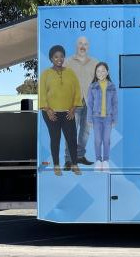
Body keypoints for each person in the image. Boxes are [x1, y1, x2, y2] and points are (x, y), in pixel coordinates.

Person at [38, 45, 82, 176]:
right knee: (55, 138)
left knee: (72, 139)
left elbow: (77, 92)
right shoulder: (45, 74)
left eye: (61, 56)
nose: (59, 59)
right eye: (56, 56)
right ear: (51, 58)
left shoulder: (70, 73)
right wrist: (48, 110)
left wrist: (74, 108)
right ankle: (56, 165)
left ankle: (75, 164)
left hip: (68, 112)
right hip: (51, 113)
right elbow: (42, 94)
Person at [64, 36, 98, 168]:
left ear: (88, 47)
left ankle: (79, 156)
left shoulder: (95, 62)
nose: (83, 46)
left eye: (85, 44)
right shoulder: (68, 62)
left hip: (90, 102)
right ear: (76, 46)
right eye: (80, 43)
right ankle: (68, 159)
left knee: (85, 131)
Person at [86, 62, 118, 171]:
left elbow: (115, 103)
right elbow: (89, 103)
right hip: (96, 117)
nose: (101, 73)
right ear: (95, 73)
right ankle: (98, 160)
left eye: (103, 70)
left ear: (107, 72)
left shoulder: (112, 86)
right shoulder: (92, 86)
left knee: (106, 139)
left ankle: (106, 161)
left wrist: (114, 118)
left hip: (108, 117)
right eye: (98, 71)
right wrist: (89, 118)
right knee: (98, 140)